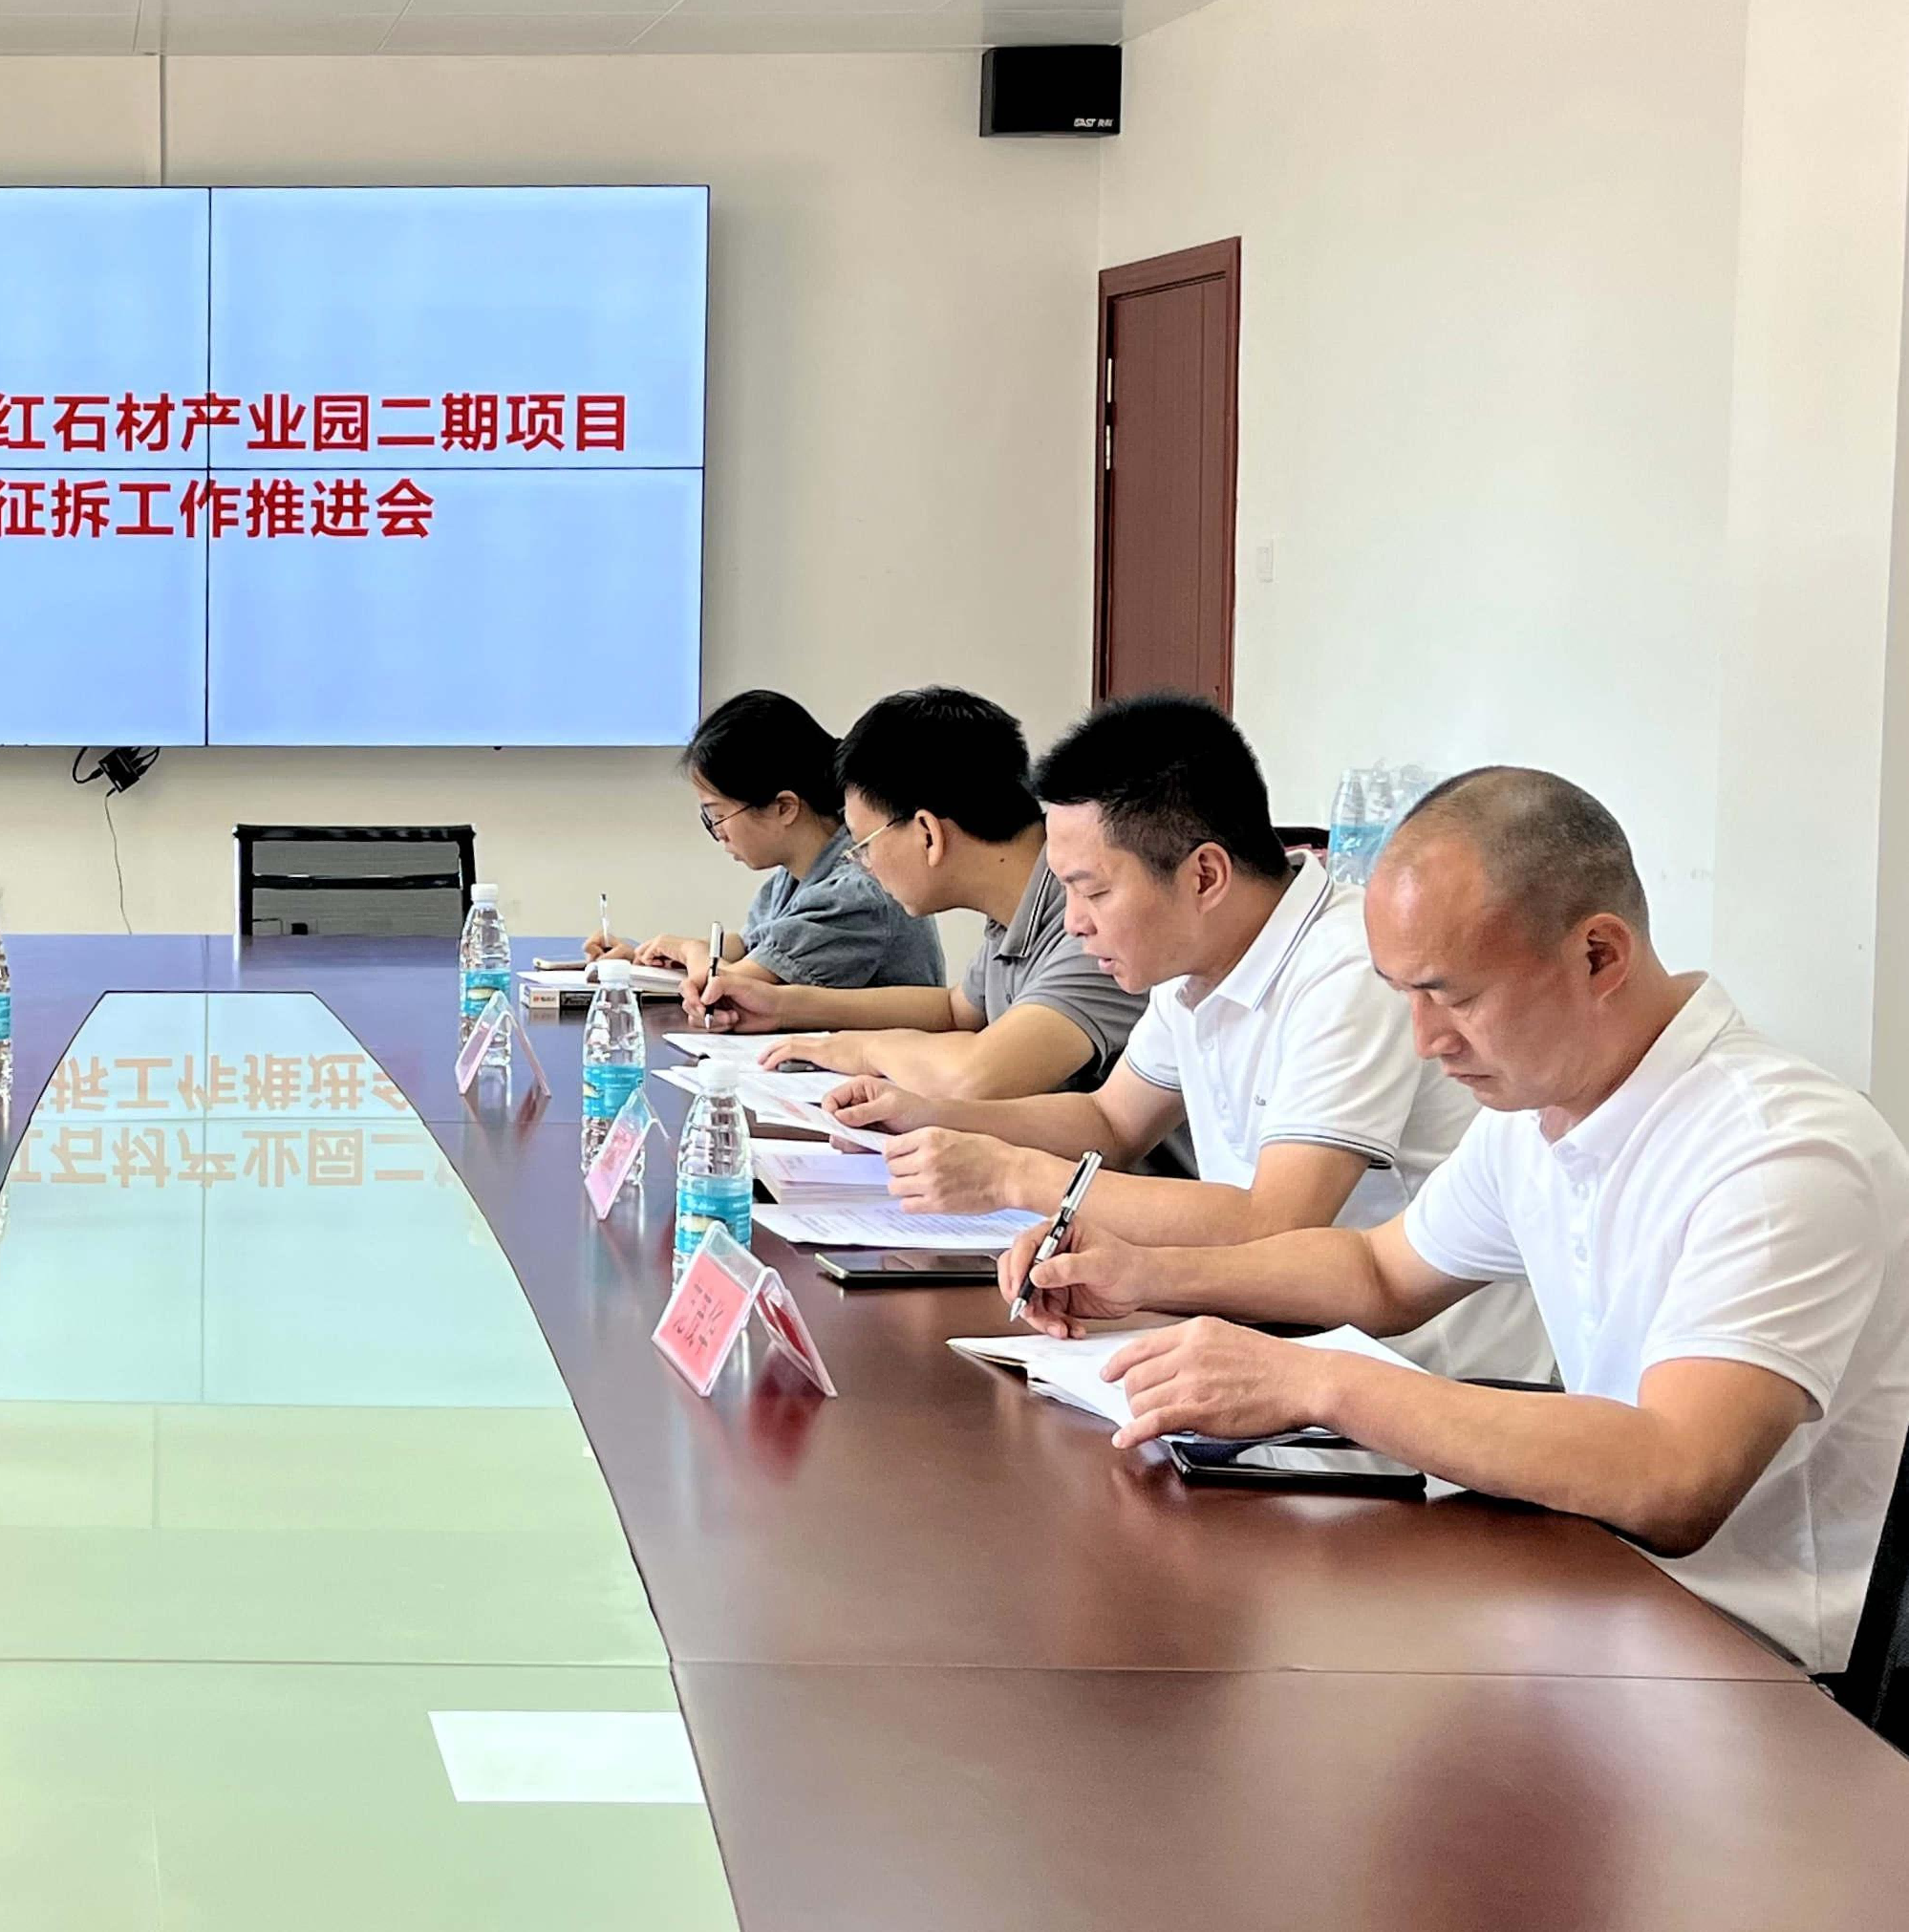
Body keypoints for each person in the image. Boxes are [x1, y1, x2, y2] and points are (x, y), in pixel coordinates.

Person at [1010, 768, 1909, 1672]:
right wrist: (1141, 1272)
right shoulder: (1542, 1108)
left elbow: (1673, 1476)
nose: (1426, 1040)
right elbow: (1381, 1274)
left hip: (1760, 1656)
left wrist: (1319, 1383)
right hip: (1597, 1579)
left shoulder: (1781, 1151)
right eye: (1403, 995)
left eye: (1454, 996)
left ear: (1598, 955)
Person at [826, 696, 1537, 1373]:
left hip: (1427, 1373)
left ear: (1203, 876)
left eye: (1093, 890)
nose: (1074, 922)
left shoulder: (1350, 968)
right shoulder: (1191, 962)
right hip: (1278, 1339)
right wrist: (931, 1116)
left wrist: (1015, 1176)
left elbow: (1277, 1218)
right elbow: (1109, 1122)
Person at [688, 686, 1145, 1099]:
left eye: (864, 846)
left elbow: (978, 1074)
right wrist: (780, 1006)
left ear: (928, 834)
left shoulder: (1091, 922)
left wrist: (861, 1050)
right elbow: (955, 1011)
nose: (862, 863)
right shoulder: (1020, 902)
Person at [588, 689, 941, 991]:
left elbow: (732, 986)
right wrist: (647, 959)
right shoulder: (792, 878)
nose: (718, 832)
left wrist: (690, 952)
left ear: (784, 807)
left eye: (717, 814)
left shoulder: (854, 893)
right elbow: (751, 947)